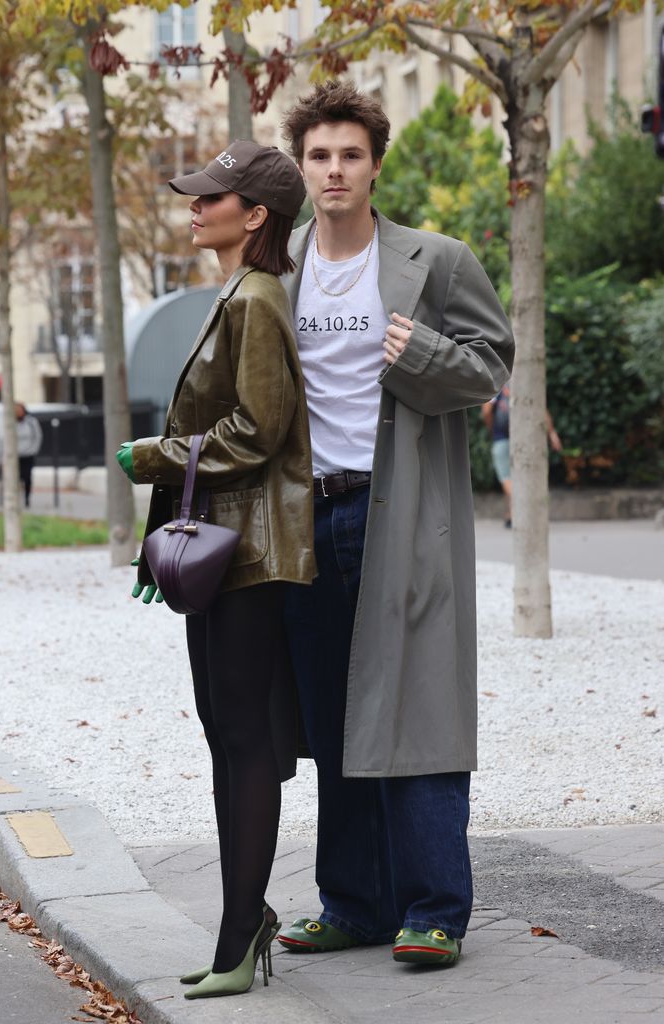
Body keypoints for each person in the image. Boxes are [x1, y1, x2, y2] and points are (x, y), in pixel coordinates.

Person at [275, 82, 515, 967]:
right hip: (308, 519)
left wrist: (419, 353)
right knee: (332, 718)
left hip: (402, 514)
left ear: (375, 165)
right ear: (301, 169)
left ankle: (434, 910)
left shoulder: (433, 260)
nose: (334, 171)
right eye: (318, 156)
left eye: (349, 155)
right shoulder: (281, 264)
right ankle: (354, 904)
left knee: (416, 710)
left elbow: (491, 365)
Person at [115, 141, 314, 998]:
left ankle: (240, 936)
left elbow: (259, 430)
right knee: (225, 735)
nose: (194, 208)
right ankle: (242, 922)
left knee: (242, 740)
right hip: (225, 549)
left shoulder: (258, 298)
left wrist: (153, 455)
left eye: (211, 198)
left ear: (255, 215)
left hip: (252, 554)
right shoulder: (234, 291)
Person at [482, 384, 562, 527]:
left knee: (506, 477)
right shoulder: (526, 383)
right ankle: (511, 514)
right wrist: (552, 433)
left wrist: (491, 428)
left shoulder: (497, 383)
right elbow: (541, 410)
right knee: (520, 476)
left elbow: (487, 410)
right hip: (524, 439)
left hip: (501, 438)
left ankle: (520, 510)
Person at [15, 403, 43, 506]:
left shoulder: (31, 422)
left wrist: (34, 450)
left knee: (27, 477)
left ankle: (26, 498)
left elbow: (38, 436)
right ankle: (15, 499)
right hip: (15, 456)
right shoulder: (10, 422)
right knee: (15, 478)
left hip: (28, 454)